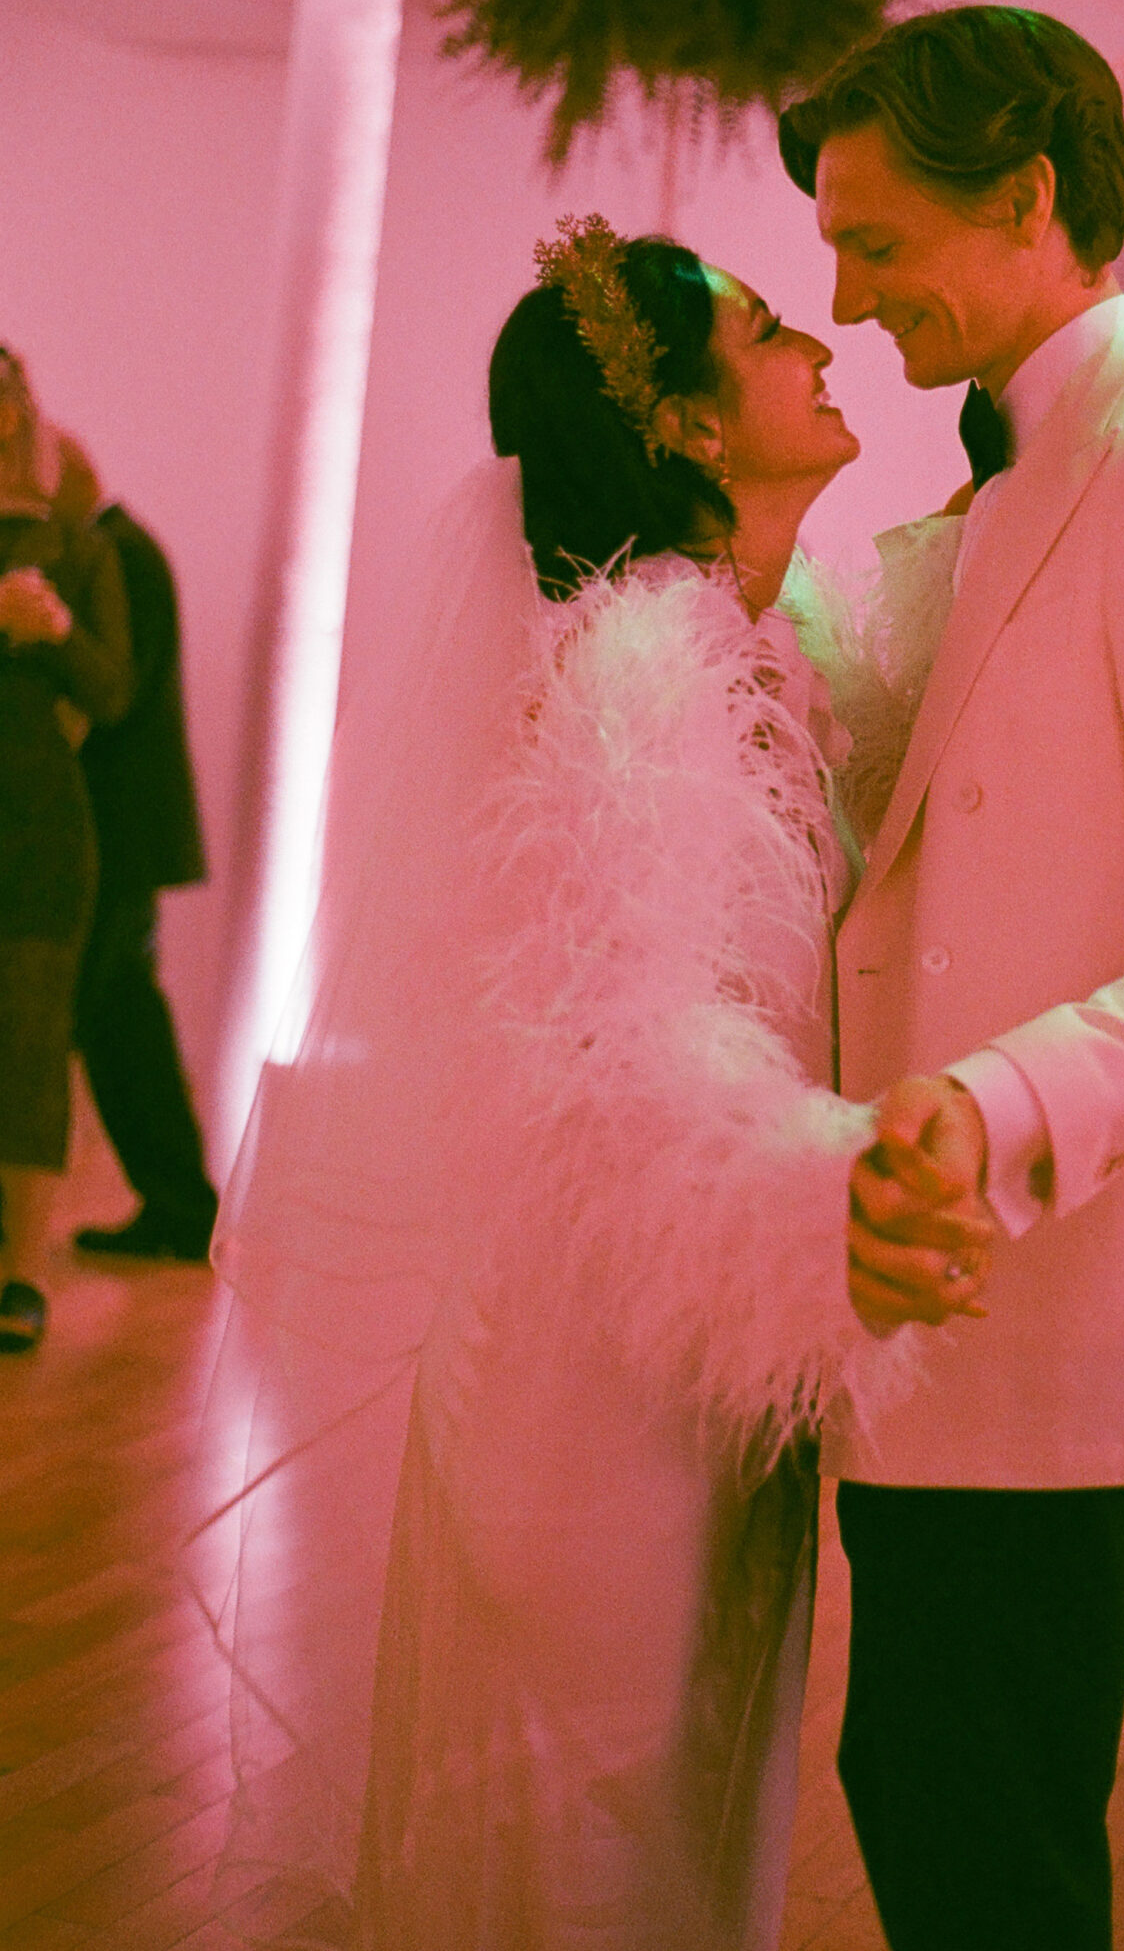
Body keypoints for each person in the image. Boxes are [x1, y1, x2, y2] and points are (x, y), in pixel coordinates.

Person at [195, 219, 987, 1949]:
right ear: (691, 424)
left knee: (693, 1791)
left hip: (712, 1327)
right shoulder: (636, 657)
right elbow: (631, 1031)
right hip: (596, 1375)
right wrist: (826, 1192)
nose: (823, 344)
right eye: (777, 330)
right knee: (587, 1822)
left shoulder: (760, 651)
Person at [777, 5, 1124, 1951]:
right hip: (943, 1283)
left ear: (1028, 194)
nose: (843, 301)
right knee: (927, 1790)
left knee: (976, 1827)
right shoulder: (1024, 466)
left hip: (1049, 1270)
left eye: (874, 241)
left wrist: (994, 1103)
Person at [40, 440, 220, 1263]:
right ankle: (178, 1201)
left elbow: (114, 693)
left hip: (114, 828)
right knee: (121, 1018)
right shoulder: (132, 546)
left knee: (113, 1017)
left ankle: (179, 1200)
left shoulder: (116, 554)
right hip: (127, 830)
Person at [0, 350, 133, 1352]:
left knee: (32, 1047)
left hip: (40, 822)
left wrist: (48, 629)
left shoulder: (81, 547)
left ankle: (21, 1274)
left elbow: (113, 691)